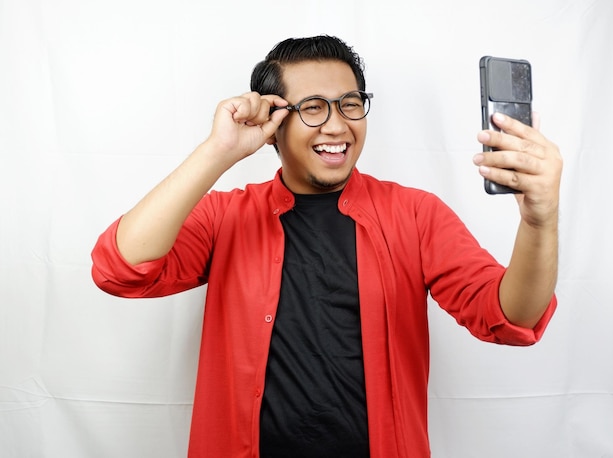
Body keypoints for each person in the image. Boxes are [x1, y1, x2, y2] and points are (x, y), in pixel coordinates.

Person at [91, 35, 562, 458]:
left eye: (350, 103)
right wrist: (218, 151)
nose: (337, 125)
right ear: (274, 122)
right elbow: (120, 268)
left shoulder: (416, 214)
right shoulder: (226, 216)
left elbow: (511, 318)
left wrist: (539, 221)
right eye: (313, 107)